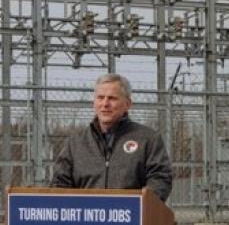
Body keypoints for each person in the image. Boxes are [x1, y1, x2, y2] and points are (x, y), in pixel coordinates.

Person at [52, 72, 172, 201]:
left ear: (127, 104)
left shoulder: (148, 140)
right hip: (85, 219)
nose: (105, 104)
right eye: (100, 98)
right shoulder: (75, 143)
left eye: (112, 98)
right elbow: (59, 184)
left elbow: (160, 179)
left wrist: (144, 202)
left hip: (131, 217)